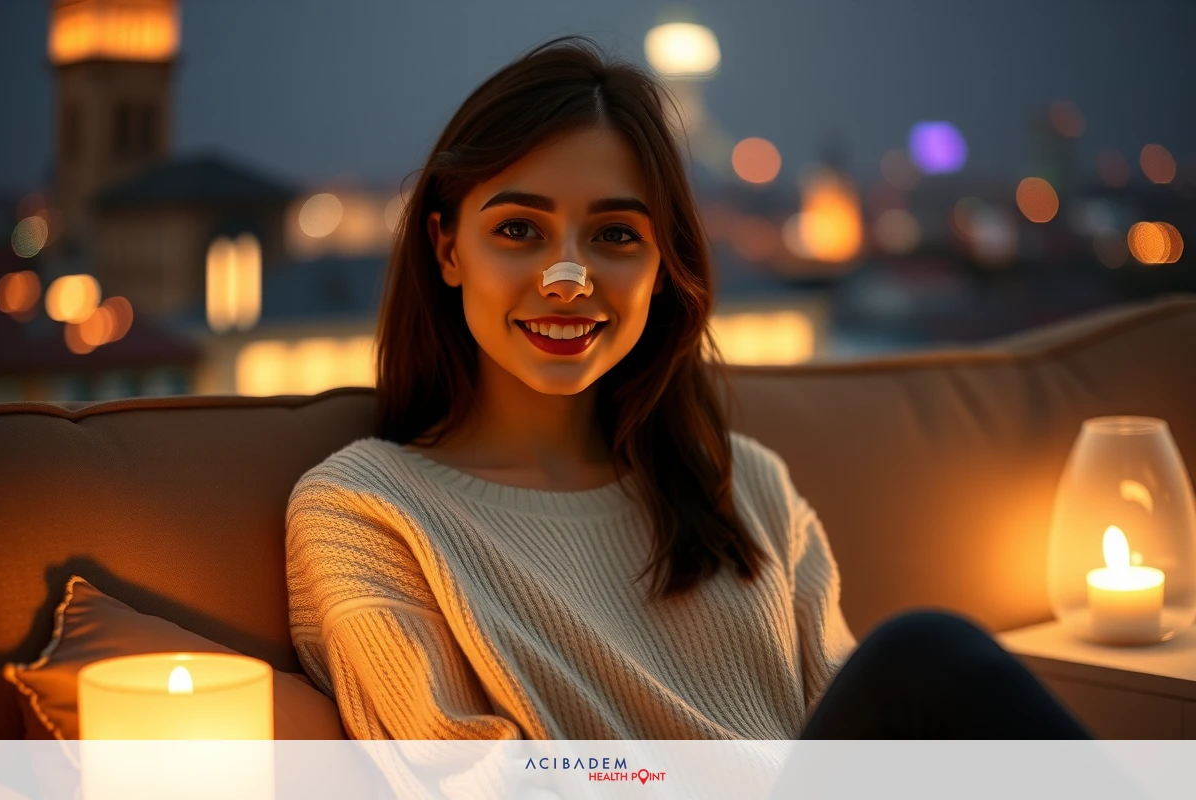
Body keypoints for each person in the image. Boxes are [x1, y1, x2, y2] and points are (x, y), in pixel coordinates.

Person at [285, 35, 1091, 741]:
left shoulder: (747, 488)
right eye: (519, 230)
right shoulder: (366, 510)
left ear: (662, 268)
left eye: (615, 236)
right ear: (447, 248)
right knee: (928, 658)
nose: (568, 278)